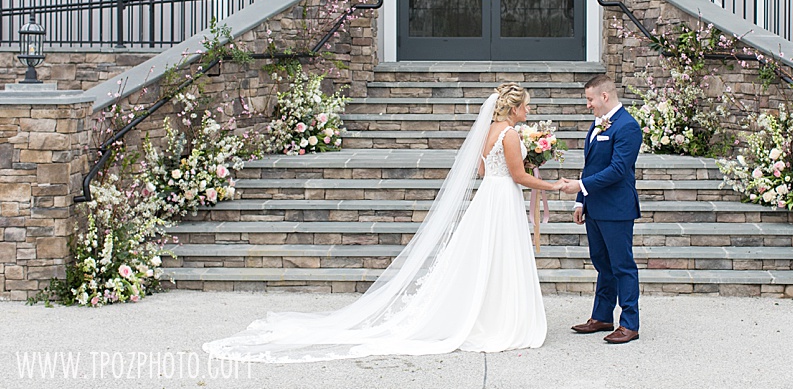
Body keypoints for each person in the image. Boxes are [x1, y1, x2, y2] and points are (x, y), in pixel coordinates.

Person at [203, 82, 571, 363]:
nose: (528, 110)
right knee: (500, 258)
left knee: (483, 259)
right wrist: (552, 183)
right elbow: (519, 177)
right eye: (525, 105)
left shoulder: (488, 132)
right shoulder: (508, 134)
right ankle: (499, 318)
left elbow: (480, 169)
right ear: (514, 108)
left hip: (488, 198)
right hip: (503, 198)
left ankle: (484, 312)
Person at [559, 74, 643, 344]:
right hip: (594, 207)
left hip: (617, 209)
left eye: (590, 99)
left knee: (622, 266)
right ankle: (602, 316)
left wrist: (580, 185)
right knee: (602, 264)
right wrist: (581, 200)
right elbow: (592, 165)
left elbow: (618, 170)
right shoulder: (597, 125)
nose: (588, 105)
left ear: (604, 96)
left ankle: (629, 323)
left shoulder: (628, 127)